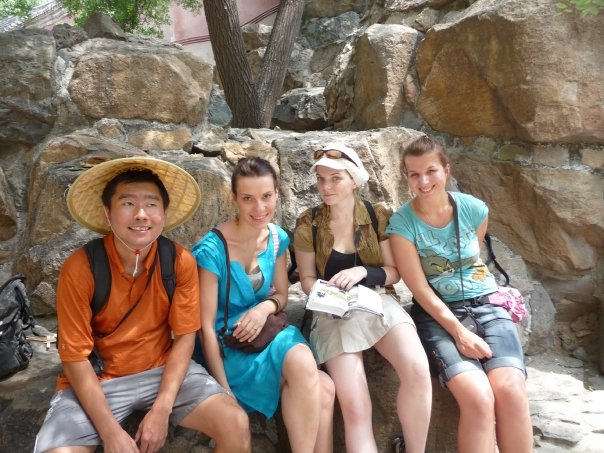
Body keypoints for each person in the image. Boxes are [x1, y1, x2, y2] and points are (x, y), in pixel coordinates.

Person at [35, 157, 250, 453]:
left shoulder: (178, 261)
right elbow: (74, 357)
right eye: (127, 203)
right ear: (107, 213)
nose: (140, 214)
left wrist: (162, 408)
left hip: (161, 369)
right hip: (100, 378)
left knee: (235, 423)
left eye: (151, 204)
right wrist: (110, 432)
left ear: (163, 214)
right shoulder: (81, 267)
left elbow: (185, 337)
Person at [387, 136, 533, 453]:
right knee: (479, 398)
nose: (423, 182)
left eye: (431, 171)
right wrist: (458, 332)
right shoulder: (401, 224)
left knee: (511, 390)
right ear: (407, 178)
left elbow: (472, 259)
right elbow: (418, 288)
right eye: (414, 174)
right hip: (438, 316)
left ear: (446, 170)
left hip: (488, 305)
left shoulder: (474, 209)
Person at [293, 143, 432, 453]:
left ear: (354, 179)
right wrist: (327, 292)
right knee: (356, 407)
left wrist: (363, 273)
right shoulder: (308, 222)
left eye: (336, 178)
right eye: (321, 179)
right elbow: (306, 279)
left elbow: (394, 272)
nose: (326, 187)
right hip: (331, 310)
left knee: (417, 370)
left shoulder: (377, 215)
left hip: (377, 299)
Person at [192, 157, 335, 453]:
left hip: (268, 333)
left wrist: (263, 308)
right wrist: (223, 390)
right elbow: (204, 327)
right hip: (230, 347)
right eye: (248, 198)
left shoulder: (276, 239)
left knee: (309, 368)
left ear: (277, 194)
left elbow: (282, 295)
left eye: (266, 196)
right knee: (323, 387)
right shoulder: (212, 250)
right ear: (234, 199)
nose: (259, 208)